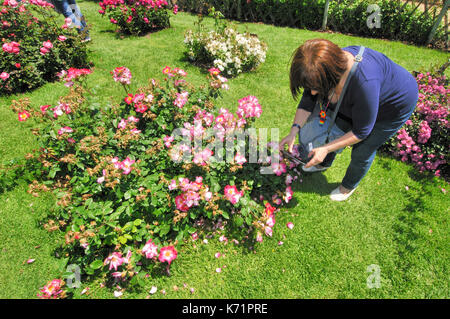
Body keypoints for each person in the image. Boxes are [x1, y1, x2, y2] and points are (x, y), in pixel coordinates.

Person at [279, 39, 418, 201]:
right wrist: (293, 132)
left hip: (394, 105)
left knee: (363, 149)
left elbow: (361, 131)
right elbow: (307, 102)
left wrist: (325, 148)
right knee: (338, 122)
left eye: (316, 88)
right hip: (364, 94)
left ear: (331, 77)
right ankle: (322, 163)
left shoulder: (364, 83)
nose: (314, 93)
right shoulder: (322, 67)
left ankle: (348, 186)